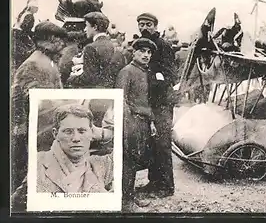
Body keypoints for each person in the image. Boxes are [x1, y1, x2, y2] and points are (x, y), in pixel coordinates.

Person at [11, 104, 114, 211]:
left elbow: (129, 147)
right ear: (55, 134)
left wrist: (104, 134)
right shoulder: (38, 162)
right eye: (68, 131)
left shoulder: (100, 164)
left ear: (92, 133)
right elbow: (14, 209)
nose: (76, 138)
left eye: (82, 131)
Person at [11, 21, 67, 191]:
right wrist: (20, 126)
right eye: (60, 40)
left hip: (44, 124)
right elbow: (18, 97)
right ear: (50, 40)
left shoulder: (47, 61)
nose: (63, 44)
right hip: (32, 127)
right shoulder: (34, 63)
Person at [135, 13, 177, 198]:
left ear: (155, 26)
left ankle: (166, 187)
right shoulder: (141, 46)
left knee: (162, 144)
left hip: (162, 103)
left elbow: (171, 75)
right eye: (141, 24)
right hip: (148, 103)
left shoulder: (163, 45)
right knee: (151, 144)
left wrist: (152, 79)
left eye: (148, 24)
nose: (144, 28)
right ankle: (154, 183)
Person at [116, 38, 158, 209]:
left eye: (149, 52)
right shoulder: (127, 71)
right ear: (134, 52)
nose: (146, 55)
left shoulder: (145, 72)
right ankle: (125, 202)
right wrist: (126, 124)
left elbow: (147, 101)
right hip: (131, 122)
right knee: (128, 161)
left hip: (143, 122)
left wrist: (152, 122)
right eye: (142, 51)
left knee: (135, 161)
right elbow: (121, 99)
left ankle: (129, 197)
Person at [67, 12, 124, 88]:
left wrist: (72, 78)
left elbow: (89, 78)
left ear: (95, 27)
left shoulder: (91, 48)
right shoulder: (115, 47)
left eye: (86, 26)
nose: (85, 29)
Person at [12, 0, 39, 72]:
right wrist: (34, 36)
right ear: (32, 8)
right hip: (19, 35)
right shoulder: (30, 16)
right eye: (36, 8)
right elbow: (25, 30)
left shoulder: (24, 13)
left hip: (15, 33)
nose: (37, 9)